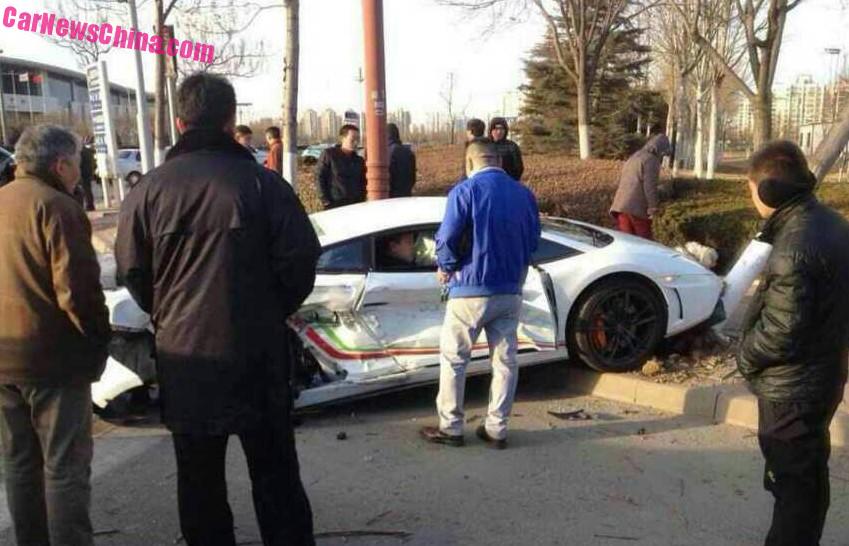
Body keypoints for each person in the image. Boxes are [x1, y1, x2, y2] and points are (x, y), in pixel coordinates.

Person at [116, 73, 320, 546]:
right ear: (231, 121)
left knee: (199, 481)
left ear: (180, 122)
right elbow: (300, 261)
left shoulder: (147, 192)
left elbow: (133, 272)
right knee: (276, 476)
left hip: (185, 358)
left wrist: (167, 312)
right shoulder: (263, 185)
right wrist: (270, 310)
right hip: (258, 355)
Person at [0, 125, 110, 546]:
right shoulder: (57, 207)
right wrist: (98, 343)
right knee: (65, 468)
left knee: (19, 463)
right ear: (60, 164)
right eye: (78, 162)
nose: (81, 171)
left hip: (5, 357)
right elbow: (77, 293)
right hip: (53, 361)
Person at [736, 141, 849, 546]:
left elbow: (783, 329)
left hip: (793, 388)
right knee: (807, 478)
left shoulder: (795, 245)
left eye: (752, 188)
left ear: (768, 191)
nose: (751, 196)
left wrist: (745, 356)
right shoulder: (828, 222)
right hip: (821, 375)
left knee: (794, 486)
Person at [420, 140, 540, 450]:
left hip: (470, 290)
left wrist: (446, 267)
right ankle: (497, 429)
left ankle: (451, 427)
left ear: (469, 163)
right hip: (510, 289)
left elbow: (447, 236)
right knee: (505, 361)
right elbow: (533, 240)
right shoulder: (524, 194)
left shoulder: (464, 191)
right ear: (499, 161)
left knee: (455, 359)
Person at [609, 134, 672, 240]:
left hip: (620, 206)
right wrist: (654, 207)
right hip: (637, 209)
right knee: (643, 244)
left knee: (626, 242)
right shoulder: (651, 160)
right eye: (663, 154)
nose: (662, 157)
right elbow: (650, 186)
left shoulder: (635, 156)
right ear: (660, 149)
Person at [314, 124, 366, 209]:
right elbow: (319, 177)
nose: (356, 143)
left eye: (357, 139)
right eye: (353, 139)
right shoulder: (329, 155)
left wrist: (362, 200)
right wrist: (325, 201)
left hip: (355, 205)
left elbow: (362, 182)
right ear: (343, 138)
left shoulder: (359, 161)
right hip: (335, 204)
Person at [388, 123, 416, 197]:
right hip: (406, 195)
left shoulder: (386, 153)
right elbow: (413, 178)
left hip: (390, 197)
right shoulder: (409, 152)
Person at [79, 136, 97, 211]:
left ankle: (89, 205)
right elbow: (93, 163)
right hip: (88, 172)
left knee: (85, 190)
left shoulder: (81, 152)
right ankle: (90, 205)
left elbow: (80, 163)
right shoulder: (89, 151)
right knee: (88, 190)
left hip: (83, 173)